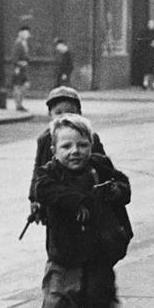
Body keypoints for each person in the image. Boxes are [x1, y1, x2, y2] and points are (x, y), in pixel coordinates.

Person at [33, 114, 132, 308]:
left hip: (98, 251)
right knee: (58, 302)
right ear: (54, 150)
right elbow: (43, 190)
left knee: (97, 293)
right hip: (64, 252)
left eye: (82, 145)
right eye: (66, 147)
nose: (75, 152)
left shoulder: (99, 166)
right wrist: (76, 201)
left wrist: (116, 191)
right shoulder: (51, 174)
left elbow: (124, 185)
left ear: (91, 145)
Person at [27, 86, 106, 224]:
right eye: (58, 112)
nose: (64, 117)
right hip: (55, 199)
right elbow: (38, 170)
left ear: (79, 113)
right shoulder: (45, 140)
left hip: (85, 198)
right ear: (50, 114)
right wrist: (34, 199)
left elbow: (103, 166)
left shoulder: (89, 137)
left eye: (70, 113)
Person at [134, 19, 154, 90]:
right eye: (149, 23)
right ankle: (145, 82)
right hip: (147, 54)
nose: (150, 25)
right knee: (146, 69)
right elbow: (139, 40)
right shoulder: (144, 33)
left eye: (152, 24)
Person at [12, 25, 31, 111]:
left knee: (24, 85)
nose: (28, 35)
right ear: (21, 33)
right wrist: (20, 63)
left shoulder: (24, 43)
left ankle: (19, 103)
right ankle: (18, 104)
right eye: (26, 33)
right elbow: (14, 58)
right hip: (19, 69)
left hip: (24, 69)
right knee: (19, 86)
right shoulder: (18, 43)